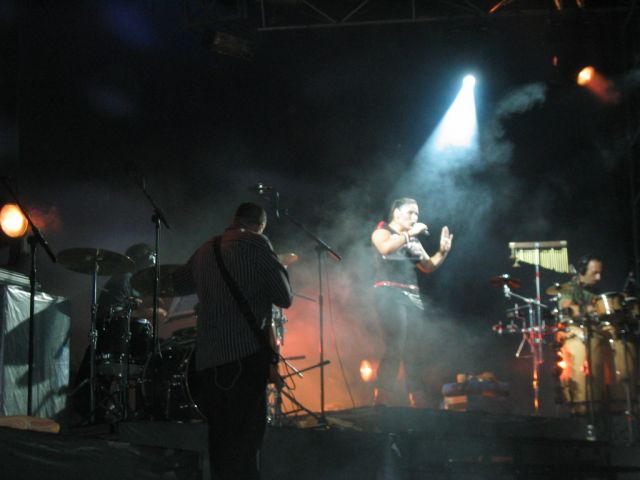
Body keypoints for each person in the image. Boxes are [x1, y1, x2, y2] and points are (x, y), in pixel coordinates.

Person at [172, 202, 293, 480]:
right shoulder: (257, 243)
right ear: (259, 225)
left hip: (208, 360)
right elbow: (284, 297)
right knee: (246, 442)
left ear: (234, 219)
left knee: (220, 439)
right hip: (244, 356)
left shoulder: (206, 248)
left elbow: (178, 283)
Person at [371, 197, 453, 408]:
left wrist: (442, 252)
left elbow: (428, 266)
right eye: (411, 213)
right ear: (397, 213)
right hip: (389, 292)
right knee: (395, 344)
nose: (415, 217)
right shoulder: (383, 231)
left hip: (412, 295)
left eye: (417, 214)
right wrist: (409, 234)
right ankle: (382, 397)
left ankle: (416, 397)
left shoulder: (413, 240)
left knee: (414, 348)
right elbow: (385, 249)